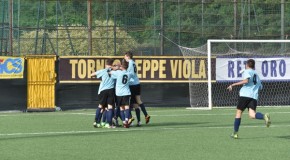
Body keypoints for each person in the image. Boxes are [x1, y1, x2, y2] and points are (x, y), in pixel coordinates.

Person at [227, 59, 271, 139]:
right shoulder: (256, 75)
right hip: (253, 97)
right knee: (252, 115)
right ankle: (264, 116)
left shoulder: (247, 71)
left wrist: (233, 84)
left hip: (245, 95)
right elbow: (260, 87)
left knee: (238, 113)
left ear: (247, 65)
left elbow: (246, 81)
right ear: (253, 66)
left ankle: (235, 133)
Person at [124, 51, 150, 126]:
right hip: (137, 83)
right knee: (137, 101)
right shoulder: (134, 63)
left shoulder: (130, 63)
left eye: (125, 56)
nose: (124, 58)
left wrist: (124, 75)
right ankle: (143, 118)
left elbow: (131, 74)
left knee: (130, 103)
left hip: (132, 84)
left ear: (128, 56)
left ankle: (131, 120)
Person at [91, 59, 116, 128]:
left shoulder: (103, 71)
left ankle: (96, 122)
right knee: (110, 107)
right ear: (112, 64)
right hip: (111, 90)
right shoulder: (114, 71)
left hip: (103, 90)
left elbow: (92, 74)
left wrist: (100, 77)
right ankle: (109, 124)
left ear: (106, 64)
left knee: (100, 106)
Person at [110, 60, 133, 128]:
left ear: (122, 66)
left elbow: (110, 72)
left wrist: (114, 68)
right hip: (126, 92)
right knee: (127, 107)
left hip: (119, 93)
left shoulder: (118, 73)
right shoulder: (129, 74)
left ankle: (123, 121)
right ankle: (126, 121)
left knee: (121, 108)